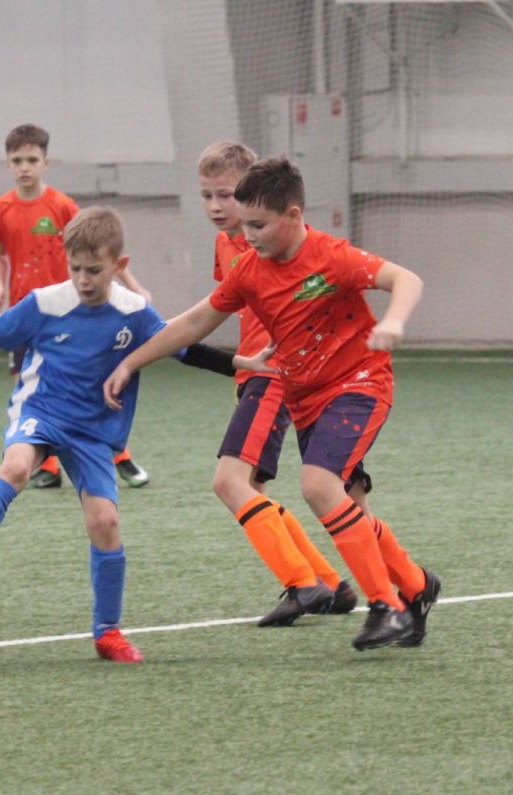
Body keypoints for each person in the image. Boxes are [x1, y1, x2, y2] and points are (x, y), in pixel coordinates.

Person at [105, 158, 441, 650]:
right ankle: (415, 584)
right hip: (305, 398)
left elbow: (406, 279)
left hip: (359, 384)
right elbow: (195, 322)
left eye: (258, 225)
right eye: (245, 224)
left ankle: (387, 608)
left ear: (294, 215)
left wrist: (393, 322)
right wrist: (132, 362)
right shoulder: (249, 270)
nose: (248, 235)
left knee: (318, 486)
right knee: (345, 502)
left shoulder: (333, 257)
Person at [0, 206, 268, 663]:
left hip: (92, 432)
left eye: (94, 270)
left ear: (120, 265)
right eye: (76, 269)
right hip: (41, 411)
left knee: (105, 522)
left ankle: (107, 632)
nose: (83, 280)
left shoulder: (134, 312)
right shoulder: (45, 303)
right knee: (16, 467)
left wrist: (240, 364)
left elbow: (184, 348)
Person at [197, 142, 357, 626]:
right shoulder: (227, 244)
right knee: (252, 487)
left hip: (274, 376)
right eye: (206, 196)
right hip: (252, 374)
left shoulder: (271, 242)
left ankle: (304, 583)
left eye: (226, 195)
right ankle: (329, 583)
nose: (216, 207)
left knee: (229, 482)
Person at [0, 123, 151, 490]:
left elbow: (101, 251)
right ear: (7, 164)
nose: (25, 167)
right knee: (28, 386)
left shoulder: (62, 206)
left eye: (32, 160)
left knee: (92, 390)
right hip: (28, 313)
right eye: (17, 160)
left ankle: (120, 455)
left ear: (45, 162)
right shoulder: (1, 207)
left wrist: (135, 287)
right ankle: (47, 466)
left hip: (71, 313)